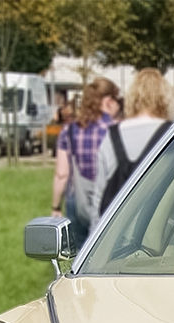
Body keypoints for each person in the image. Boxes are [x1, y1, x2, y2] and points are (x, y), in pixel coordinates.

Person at [91, 69, 172, 223]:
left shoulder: (112, 136)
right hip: (157, 229)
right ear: (165, 98)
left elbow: (99, 196)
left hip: (115, 230)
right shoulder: (172, 134)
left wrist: (94, 235)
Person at [51, 76, 119, 247]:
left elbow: (62, 173)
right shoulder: (116, 130)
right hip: (110, 198)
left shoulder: (70, 130)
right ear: (109, 101)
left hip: (78, 200)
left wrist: (56, 206)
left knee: (81, 254)